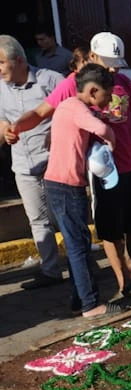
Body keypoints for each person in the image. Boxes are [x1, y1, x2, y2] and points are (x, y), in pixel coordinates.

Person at [8, 33, 131, 301]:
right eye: (109, 62)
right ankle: (123, 282)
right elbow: (41, 112)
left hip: (130, 165)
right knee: (111, 229)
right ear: (92, 57)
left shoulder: (124, 83)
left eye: (117, 64)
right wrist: (17, 127)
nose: (114, 69)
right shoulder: (74, 86)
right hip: (102, 173)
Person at [43, 63, 126, 318]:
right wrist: (110, 137)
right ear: (92, 91)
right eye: (105, 95)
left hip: (60, 183)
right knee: (78, 245)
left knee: (77, 241)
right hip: (66, 186)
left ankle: (80, 298)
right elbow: (101, 129)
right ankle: (91, 305)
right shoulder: (75, 107)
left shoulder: (69, 108)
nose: (106, 101)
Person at [0, 35, 64, 290]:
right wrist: (5, 132)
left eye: (1, 62)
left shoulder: (50, 80)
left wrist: (55, 132)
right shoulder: (0, 88)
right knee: (37, 219)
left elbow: (71, 110)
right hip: (23, 165)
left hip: (53, 162)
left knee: (65, 217)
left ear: (18, 61)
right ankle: (50, 271)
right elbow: (3, 119)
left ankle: (85, 264)